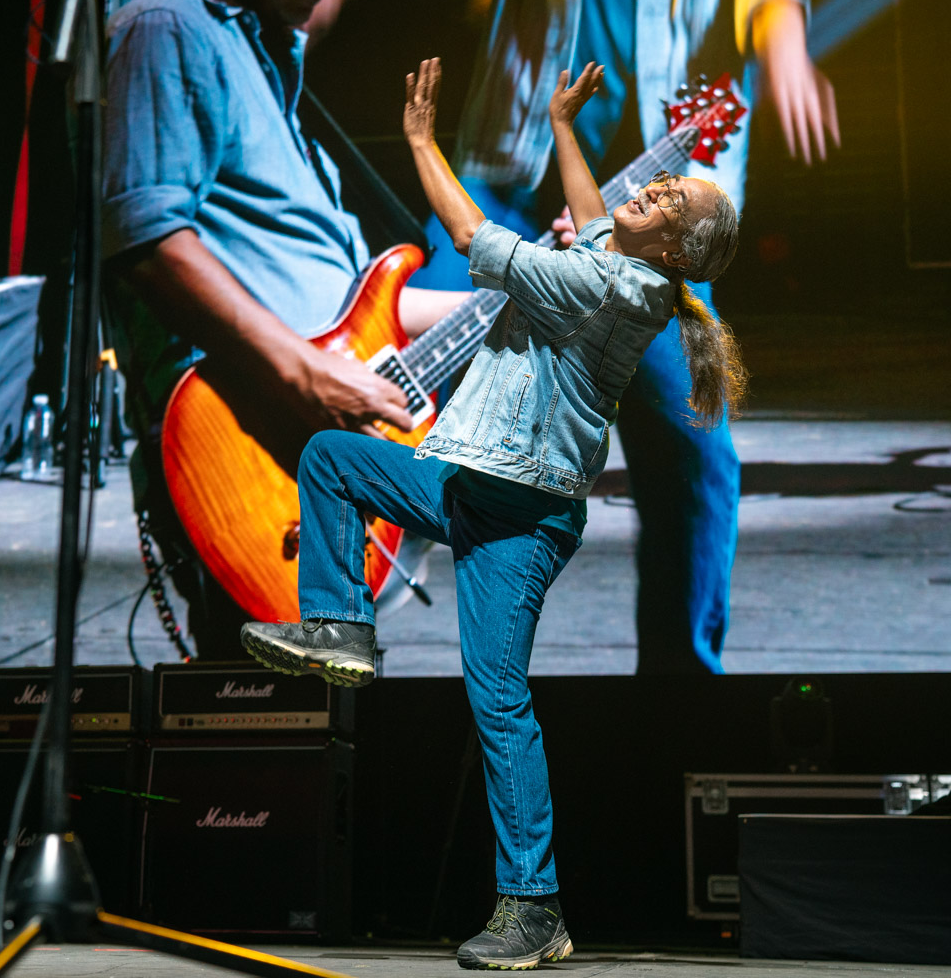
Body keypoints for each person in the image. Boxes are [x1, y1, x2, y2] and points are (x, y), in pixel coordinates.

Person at [242, 57, 745, 970]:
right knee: (332, 457)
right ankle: (343, 629)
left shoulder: (616, 288)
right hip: (471, 482)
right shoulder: (610, 258)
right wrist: (561, 124)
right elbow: (596, 214)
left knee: (499, 705)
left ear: (676, 253)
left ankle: (533, 908)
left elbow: (475, 236)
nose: (652, 189)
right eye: (661, 184)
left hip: (521, 517)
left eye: (668, 201)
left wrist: (423, 143)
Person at [308, 0, 839, 672]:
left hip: (645, 241)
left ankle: (681, 686)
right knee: (382, 361)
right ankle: (320, 610)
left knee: (694, 454)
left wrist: (786, 51)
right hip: (510, 194)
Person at [101, 0, 468, 659]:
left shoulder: (263, 53)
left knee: (307, 735)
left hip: (299, 439)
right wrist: (304, 376)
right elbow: (149, 242)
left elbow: (361, 309)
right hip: (243, 438)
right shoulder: (168, 27)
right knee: (259, 730)